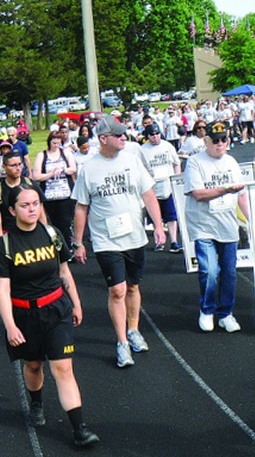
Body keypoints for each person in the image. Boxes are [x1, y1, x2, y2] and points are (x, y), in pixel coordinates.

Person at [0, 184, 99, 448]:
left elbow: (64, 272)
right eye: (25, 205)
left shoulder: (52, 234)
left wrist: (76, 303)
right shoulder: (5, 244)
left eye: (35, 204)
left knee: (62, 367)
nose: (31, 209)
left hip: (56, 310)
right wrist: (10, 326)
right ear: (12, 210)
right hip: (24, 314)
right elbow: (2, 290)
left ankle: (80, 429)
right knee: (34, 365)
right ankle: (36, 402)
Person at [71, 117, 166, 368]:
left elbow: (148, 194)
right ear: (104, 139)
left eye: (124, 134)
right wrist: (78, 242)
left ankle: (133, 329)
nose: (124, 138)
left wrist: (158, 225)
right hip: (106, 240)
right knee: (117, 290)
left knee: (133, 287)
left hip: (134, 236)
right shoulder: (89, 169)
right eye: (118, 135)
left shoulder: (132, 161)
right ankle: (122, 342)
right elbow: (82, 206)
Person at [184, 121, 250, 333]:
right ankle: (207, 309)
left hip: (227, 225)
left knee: (229, 272)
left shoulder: (231, 162)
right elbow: (198, 194)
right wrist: (224, 189)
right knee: (210, 270)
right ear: (206, 141)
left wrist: (251, 220)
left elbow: (241, 195)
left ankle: (226, 313)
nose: (220, 144)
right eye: (215, 140)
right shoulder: (195, 162)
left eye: (224, 140)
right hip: (203, 224)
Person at [32, 132, 78, 259]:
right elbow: (36, 175)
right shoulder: (42, 155)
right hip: (49, 194)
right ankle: (58, 248)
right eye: (54, 143)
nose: (56, 145)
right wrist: (51, 174)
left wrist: (63, 170)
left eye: (59, 142)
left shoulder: (66, 153)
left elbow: (73, 168)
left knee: (65, 222)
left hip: (64, 194)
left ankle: (68, 248)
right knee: (53, 223)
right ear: (49, 142)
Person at [140, 123, 183, 253]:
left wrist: (177, 179)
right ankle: (159, 241)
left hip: (168, 183)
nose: (155, 137)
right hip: (152, 186)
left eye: (157, 134)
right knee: (155, 216)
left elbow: (176, 163)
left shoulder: (167, 146)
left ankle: (174, 241)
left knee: (171, 215)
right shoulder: (143, 150)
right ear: (147, 136)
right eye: (152, 135)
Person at [0, 152, 44, 240]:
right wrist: (1, 245)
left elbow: (41, 213)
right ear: (4, 167)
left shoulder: (32, 185)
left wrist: (45, 235)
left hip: (33, 234)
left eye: (19, 164)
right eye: (13, 165)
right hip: (11, 237)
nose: (18, 168)